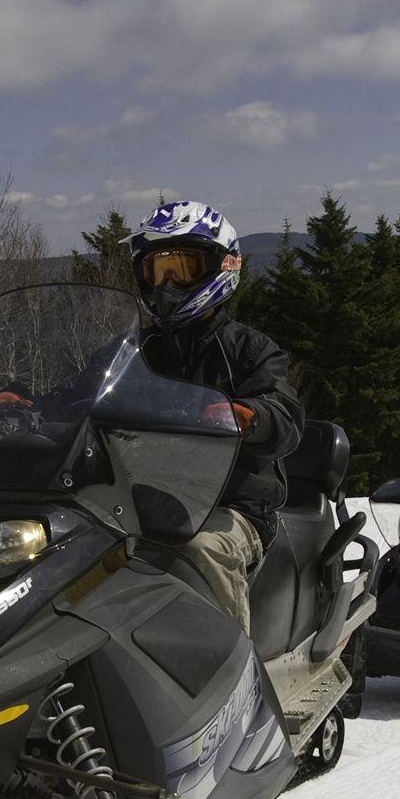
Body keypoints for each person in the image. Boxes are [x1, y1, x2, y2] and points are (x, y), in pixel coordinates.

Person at [127, 201, 303, 632]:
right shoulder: (135, 351)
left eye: (182, 270)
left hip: (230, 505)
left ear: (220, 268)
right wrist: (26, 402)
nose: (168, 284)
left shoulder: (249, 349)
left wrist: (250, 415)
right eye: (157, 271)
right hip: (137, 501)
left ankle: (232, 681)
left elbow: (284, 413)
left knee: (202, 549)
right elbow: (85, 389)